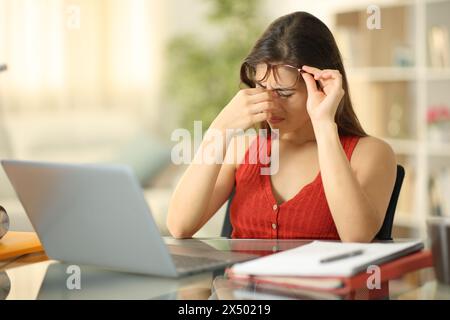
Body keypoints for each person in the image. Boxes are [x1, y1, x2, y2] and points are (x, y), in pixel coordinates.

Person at [167, 11, 397, 242]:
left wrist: (324, 124)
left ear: (321, 86)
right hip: (242, 279)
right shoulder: (244, 149)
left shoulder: (371, 153)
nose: (269, 103)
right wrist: (220, 128)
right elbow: (179, 226)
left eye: (284, 93)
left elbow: (356, 236)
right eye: (261, 87)